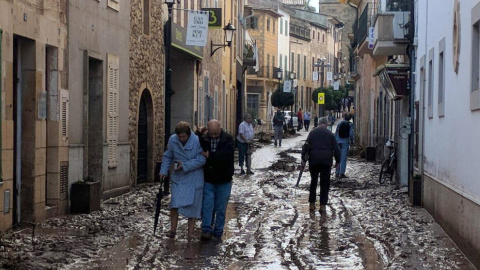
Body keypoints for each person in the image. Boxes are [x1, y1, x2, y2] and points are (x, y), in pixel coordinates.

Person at [160, 121, 206, 239]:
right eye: (179, 137)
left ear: (189, 134)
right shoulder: (172, 140)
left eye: (183, 136)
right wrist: (163, 171)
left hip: (194, 176)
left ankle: (190, 232)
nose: (181, 139)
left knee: (193, 205)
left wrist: (185, 165)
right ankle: (173, 229)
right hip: (179, 177)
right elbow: (168, 156)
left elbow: (202, 159)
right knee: (174, 203)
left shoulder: (197, 141)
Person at [200, 120, 235, 241]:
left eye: (216, 133)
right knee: (207, 206)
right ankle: (206, 229)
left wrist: (211, 156)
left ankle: (218, 232)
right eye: (211, 133)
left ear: (220, 129)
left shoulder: (228, 139)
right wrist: (199, 133)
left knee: (220, 208)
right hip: (209, 178)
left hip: (224, 179)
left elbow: (226, 157)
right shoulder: (205, 139)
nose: (214, 136)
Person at [301, 117, 340, 212]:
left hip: (314, 160)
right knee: (324, 183)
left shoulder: (312, 133)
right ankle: (322, 205)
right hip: (326, 161)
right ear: (326, 124)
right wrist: (338, 161)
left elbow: (306, 146)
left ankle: (312, 204)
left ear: (318, 123)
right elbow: (336, 149)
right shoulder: (330, 134)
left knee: (313, 182)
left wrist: (303, 158)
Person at [335, 114, 354, 179]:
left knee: (338, 158)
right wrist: (352, 141)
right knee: (343, 158)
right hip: (345, 142)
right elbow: (351, 134)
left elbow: (336, 132)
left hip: (338, 141)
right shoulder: (350, 124)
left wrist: (335, 141)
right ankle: (342, 173)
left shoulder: (339, 123)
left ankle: (337, 172)